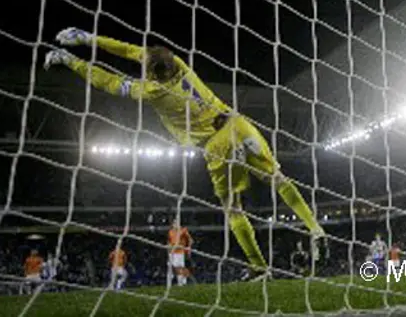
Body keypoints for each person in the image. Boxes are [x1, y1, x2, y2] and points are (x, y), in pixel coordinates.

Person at [44, 28, 325, 280]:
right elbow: (129, 50)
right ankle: (315, 230)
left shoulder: (154, 90)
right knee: (277, 178)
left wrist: (72, 60)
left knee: (233, 207)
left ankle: (259, 267)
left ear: (152, 71)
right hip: (239, 123)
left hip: (218, 144)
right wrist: (90, 39)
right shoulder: (177, 63)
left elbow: (109, 82)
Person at [168, 221, 192, 286]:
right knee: (172, 267)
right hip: (172, 252)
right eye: (174, 223)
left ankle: (182, 283)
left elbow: (190, 239)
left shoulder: (183, 230)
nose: (175, 225)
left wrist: (189, 248)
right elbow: (170, 241)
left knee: (180, 267)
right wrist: (169, 249)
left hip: (180, 252)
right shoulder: (170, 232)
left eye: (177, 223)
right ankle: (170, 283)